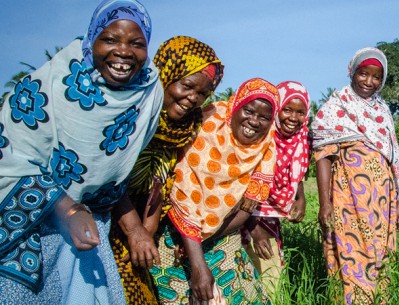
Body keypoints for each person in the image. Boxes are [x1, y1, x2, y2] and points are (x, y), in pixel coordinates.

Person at [0, 1, 162, 304]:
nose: (124, 51)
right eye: (110, 39)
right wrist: (68, 210)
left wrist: (133, 229)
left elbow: (115, 178)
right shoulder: (46, 86)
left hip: (90, 234)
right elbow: (8, 158)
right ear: (91, 40)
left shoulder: (147, 96)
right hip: (28, 231)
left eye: (137, 43)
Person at [109, 35, 224, 305]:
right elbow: (110, 176)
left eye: (203, 94)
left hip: (139, 228)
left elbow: (160, 183)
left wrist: (146, 231)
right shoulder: (128, 113)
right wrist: (135, 231)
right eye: (187, 86)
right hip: (100, 219)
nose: (192, 99)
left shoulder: (183, 127)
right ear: (167, 74)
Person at [151, 77, 277, 305]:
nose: (255, 121)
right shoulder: (207, 126)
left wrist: (205, 238)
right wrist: (196, 259)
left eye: (264, 117)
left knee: (242, 294)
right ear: (236, 106)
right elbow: (181, 194)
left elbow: (246, 209)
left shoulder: (266, 148)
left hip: (223, 232)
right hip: (174, 234)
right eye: (248, 111)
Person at [311, 47, 399, 305]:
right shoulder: (336, 104)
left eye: (376, 77)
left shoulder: (383, 110)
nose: (369, 82)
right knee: (349, 250)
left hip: (382, 202)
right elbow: (322, 155)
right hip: (348, 196)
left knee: (380, 254)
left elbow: (393, 158)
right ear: (352, 72)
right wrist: (325, 203)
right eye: (364, 74)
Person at [243, 80, 310, 299]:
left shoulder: (300, 140)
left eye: (300, 112)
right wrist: (253, 227)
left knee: (271, 278)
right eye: (287, 110)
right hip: (240, 216)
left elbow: (294, 175)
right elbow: (241, 181)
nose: (293, 118)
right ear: (276, 109)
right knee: (245, 275)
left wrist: (300, 197)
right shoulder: (259, 134)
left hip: (271, 220)